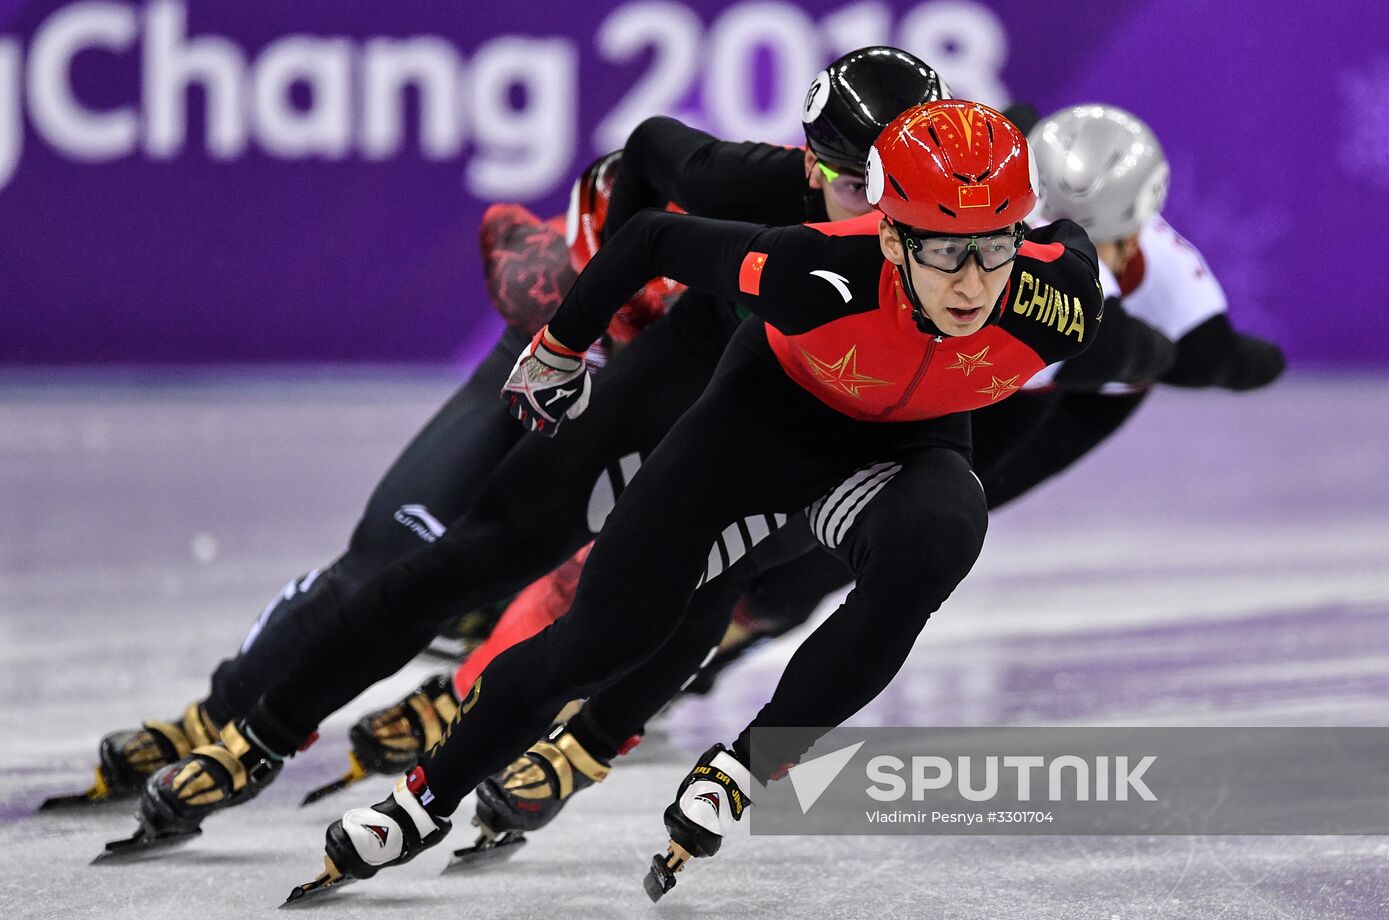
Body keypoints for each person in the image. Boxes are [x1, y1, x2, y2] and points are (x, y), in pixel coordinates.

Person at [97, 48, 955, 843]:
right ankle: (261, 732)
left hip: (777, 420)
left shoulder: (960, 249)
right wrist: (593, 316)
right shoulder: (748, 190)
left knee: (711, 575)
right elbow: (654, 146)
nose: (885, 230)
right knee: (463, 557)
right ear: (811, 167)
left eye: (906, 200)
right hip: (673, 369)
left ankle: (576, 739)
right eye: (858, 194)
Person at [291, 99, 1103, 899]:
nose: (974, 283)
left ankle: (747, 764)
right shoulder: (814, 271)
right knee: (599, 641)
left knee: (944, 535)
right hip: (758, 431)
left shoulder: (1059, 301)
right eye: (945, 252)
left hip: (904, 453)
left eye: (995, 247)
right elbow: (649, 238)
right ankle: (422, 799)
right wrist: (562, 346)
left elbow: (1077, 261)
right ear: (892, 236)